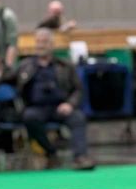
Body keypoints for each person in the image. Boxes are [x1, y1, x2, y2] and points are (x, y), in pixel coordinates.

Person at [15, 27, 95, 170]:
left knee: (78, 118)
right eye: (38, 42)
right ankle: (50, 152)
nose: (40, 45)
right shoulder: (25, 66)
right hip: (36, 108)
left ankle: (80, 157)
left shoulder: (65, 65)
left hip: (61, 107)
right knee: (29, 117)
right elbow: (9, 80)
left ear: (52, 45)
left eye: (44, 42)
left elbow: (78, 89)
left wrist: (70, 104)